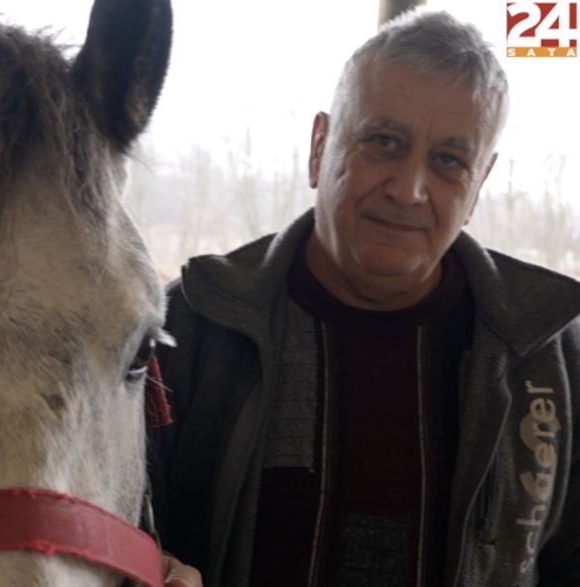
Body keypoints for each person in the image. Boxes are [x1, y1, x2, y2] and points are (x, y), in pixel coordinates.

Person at [150, 8, 580, 587]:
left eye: (449, 161)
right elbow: (106, 530)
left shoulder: (551, 353)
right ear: (319, 148)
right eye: (384, 142)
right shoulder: (181, 331)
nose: (409, 190)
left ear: (478, 185)